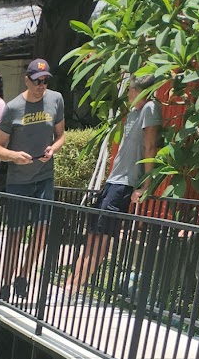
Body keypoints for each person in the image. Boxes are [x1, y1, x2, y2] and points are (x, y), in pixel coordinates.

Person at [66, 79, 163, 294]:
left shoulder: (150, 108)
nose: (127, 94)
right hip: (112, 182)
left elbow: (150, 147)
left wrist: (146, 186)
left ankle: (72, 289)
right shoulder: (134, 112)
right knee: (92, 234)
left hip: (124, 184)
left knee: (101, 238)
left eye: (129, 90)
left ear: (138, 91)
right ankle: (70, 285)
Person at [0, 58, 66, 301]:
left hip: (44, 176)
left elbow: (61, 136)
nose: (41, 86)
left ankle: (24, 275)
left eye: (45, 81)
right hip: (18, 180)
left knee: (42, 230)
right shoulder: (13, 108)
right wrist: (14, 155)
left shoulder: (56, 100)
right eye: (37, 81)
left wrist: (53, 149)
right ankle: (5, 282)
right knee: (15, 233)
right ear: (27, 80)